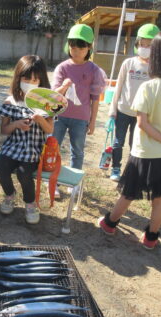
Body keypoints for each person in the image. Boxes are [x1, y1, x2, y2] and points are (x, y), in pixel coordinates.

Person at [98, 28, 161, 250]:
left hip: (143, 152)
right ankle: (151, 238)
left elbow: (142, 124)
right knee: (159, 198)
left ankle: (110, 223)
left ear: (157, 57)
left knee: (128, 192)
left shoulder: (148, 87)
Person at [0, 55, 53, 224]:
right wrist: (17, 124)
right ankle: (10, 194)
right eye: (27, 78)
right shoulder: (10, 101)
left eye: (35, 80)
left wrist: (40, 119)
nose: (31, 83)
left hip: (32, 150)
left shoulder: (45, 102)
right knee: (1, 169)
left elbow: (50, 130)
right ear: (18, 78)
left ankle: (30, 203)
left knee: (24, 173)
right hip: (12, 147)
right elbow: (4, 130)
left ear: (41, 81)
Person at [51, 24, 106, 196]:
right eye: (72, 43)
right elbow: (53, 94)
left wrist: (92, 121)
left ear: (89, 47)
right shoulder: (62, 68)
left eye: (81, 45)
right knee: (54, 148)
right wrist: (64, 86)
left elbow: (95, 98)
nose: (75, 48)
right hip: (59, 115)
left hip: (81, 118)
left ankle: (73, 183)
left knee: (77, 151)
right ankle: (52, 182)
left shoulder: (94, 71)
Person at [108, 24, 160, 181]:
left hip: (142, 114)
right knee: (118, 142)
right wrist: (113, 109)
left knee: (135, 144)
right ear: (137, 43)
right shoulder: (128, 63)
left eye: (149, 45)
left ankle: (130, 171)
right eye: (142, 44)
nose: (145, 48)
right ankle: (115, 168)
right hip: (123, 110)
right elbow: (119, 86)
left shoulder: (157, 67)